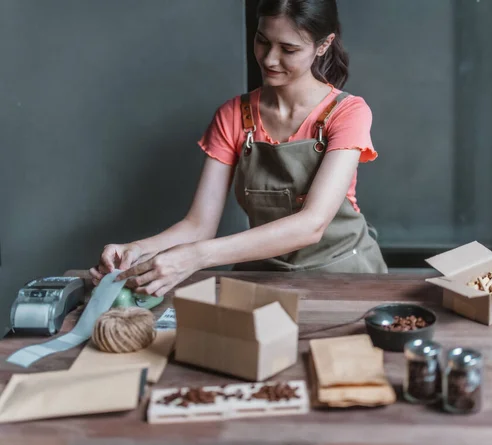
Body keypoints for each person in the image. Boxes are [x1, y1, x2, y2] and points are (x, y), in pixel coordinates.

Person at [90, 0, 388, 296]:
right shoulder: (233, 115)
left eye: (288, 49)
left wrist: (198, 256)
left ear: (323, 45)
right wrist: (138, 249)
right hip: (266, 275)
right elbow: (198, 225)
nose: (270, 59)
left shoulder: (347, 113)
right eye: (262, 41)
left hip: (345, 274)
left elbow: (312, 224)